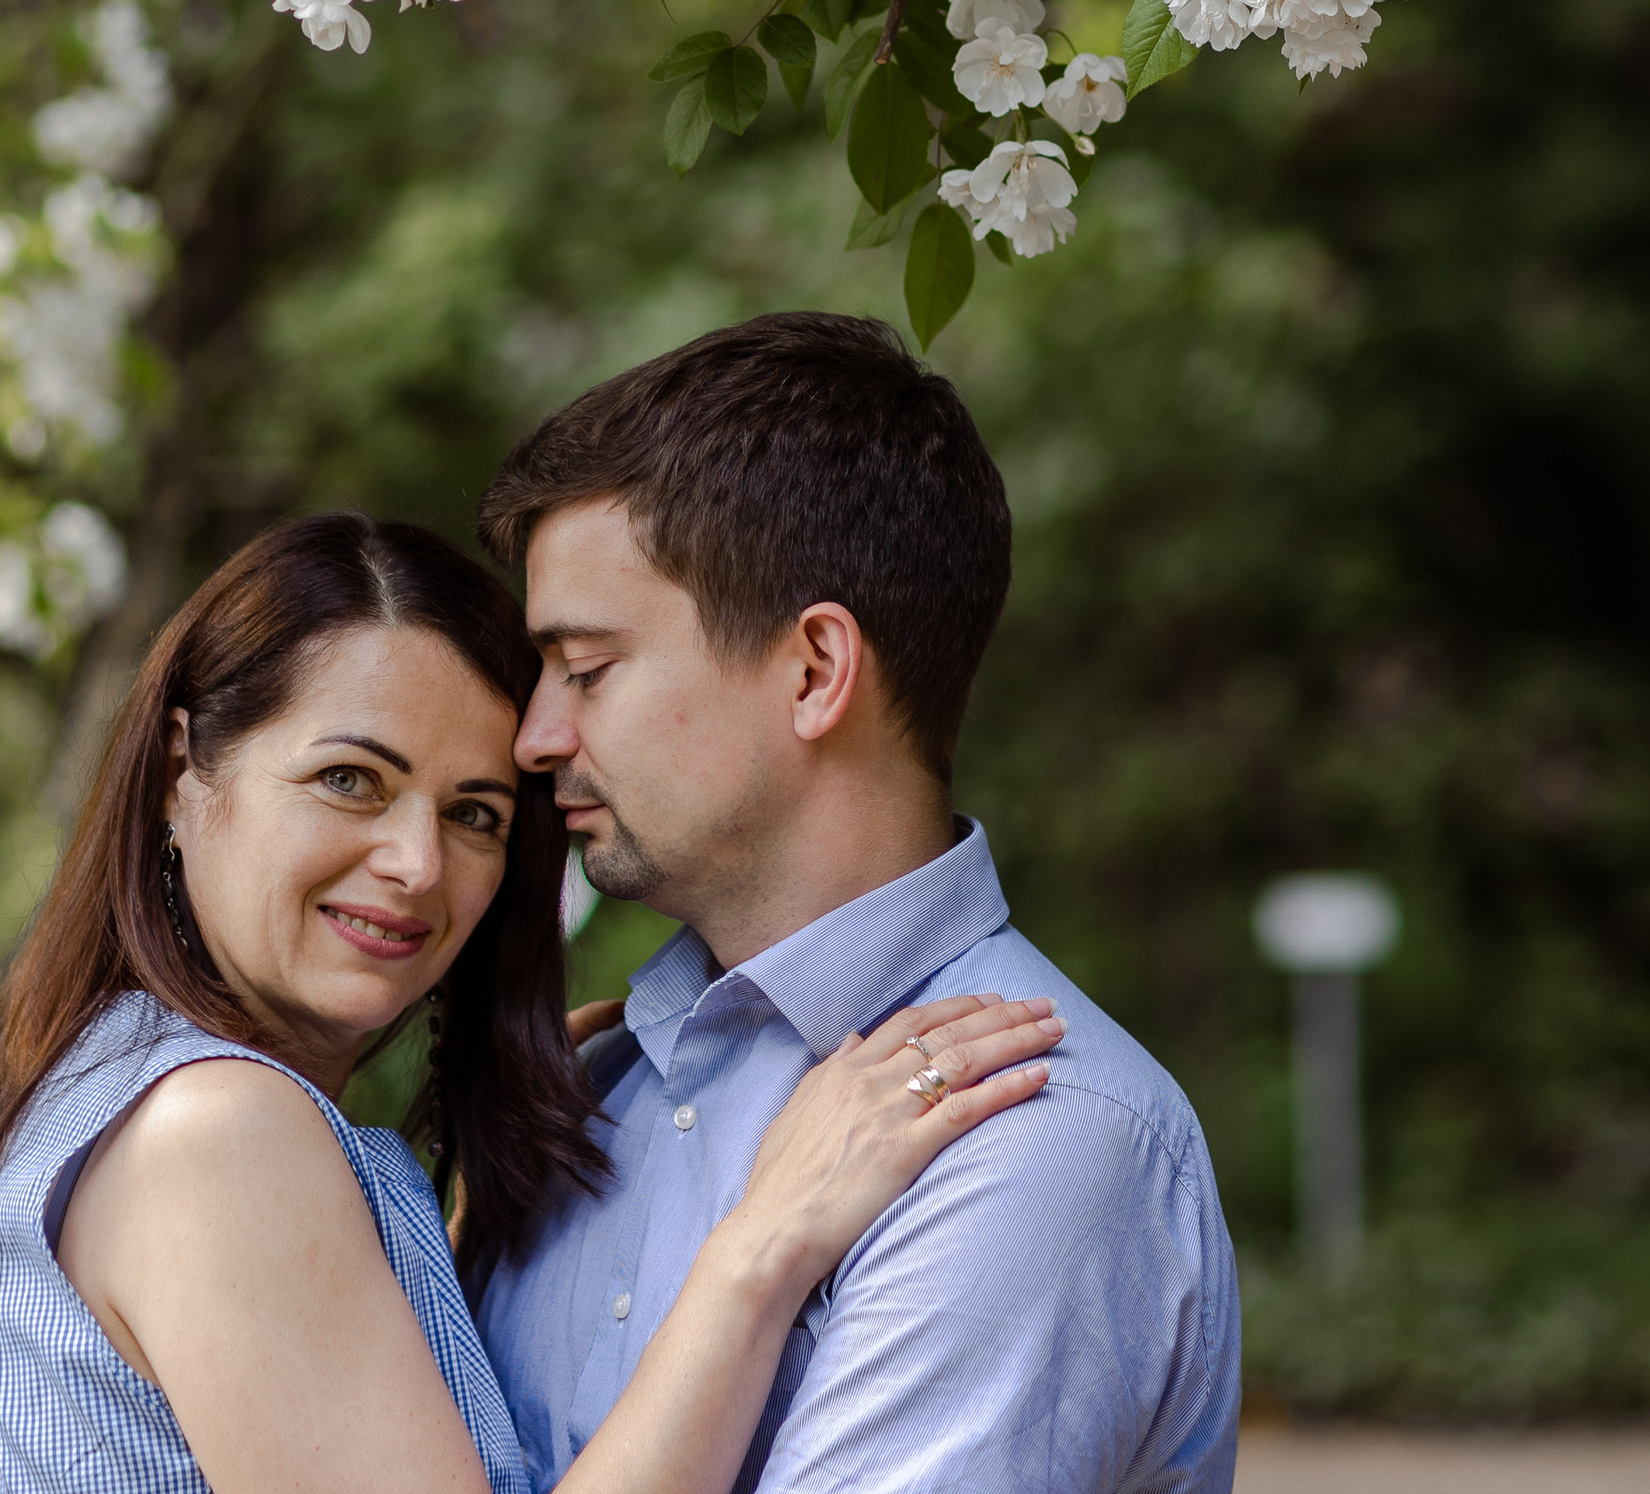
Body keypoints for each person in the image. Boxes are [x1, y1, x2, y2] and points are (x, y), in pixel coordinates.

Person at [0, 510, 1064, 1494]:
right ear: (179, 771)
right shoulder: (213, 1138)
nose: (417, 862)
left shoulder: (136, 1085)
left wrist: (440, 1240)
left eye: (473, 813)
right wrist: (762, 1245)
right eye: (348, 780)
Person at [475, 311, 1241, 1494]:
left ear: (814, 670)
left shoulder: (1027, 1136)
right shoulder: (592, 1094)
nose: (536, 735)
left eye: (587, 669)